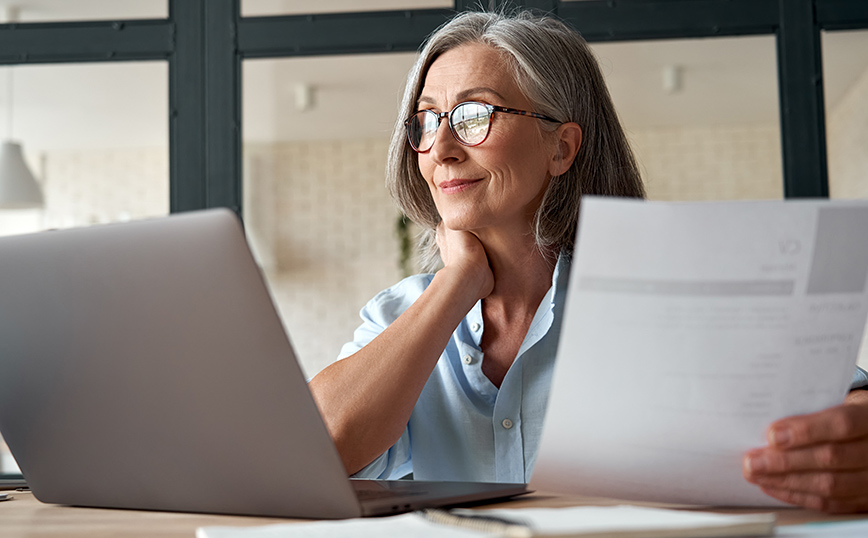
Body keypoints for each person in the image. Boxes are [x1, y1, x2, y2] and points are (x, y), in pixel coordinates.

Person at [308, 10, 868, 514]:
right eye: (426, 121)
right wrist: (456, 284)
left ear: (561, 147)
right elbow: (316, 451)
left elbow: (842, 399)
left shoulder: (663, 292)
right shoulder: (398, 316)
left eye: (474, 114)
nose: (443, 147)